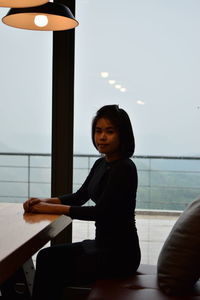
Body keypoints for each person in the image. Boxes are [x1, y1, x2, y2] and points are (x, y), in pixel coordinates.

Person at [23, 104, 141, 300]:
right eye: (98, 131)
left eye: (109, 131)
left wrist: (51, 208)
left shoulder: (125, 168)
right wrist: (43, 201)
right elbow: (79, 196)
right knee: (46, 257)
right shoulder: (101, 163)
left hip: (119, 255)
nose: (102, 137)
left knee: (52, 267)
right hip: (100, 245)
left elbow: (100, 212)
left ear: (123, 135)